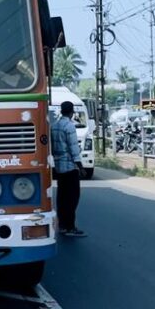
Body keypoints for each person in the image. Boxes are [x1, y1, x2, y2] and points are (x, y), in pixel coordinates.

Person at [52, 101, 86, 238]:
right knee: (72, 198)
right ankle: (70, 226)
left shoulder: (54, 126)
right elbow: (73, 148)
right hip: (70, 167)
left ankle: (62, 226)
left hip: (59, 167)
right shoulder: (70, 126)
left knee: (62, 197)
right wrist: (80, 167)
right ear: (72, 112)